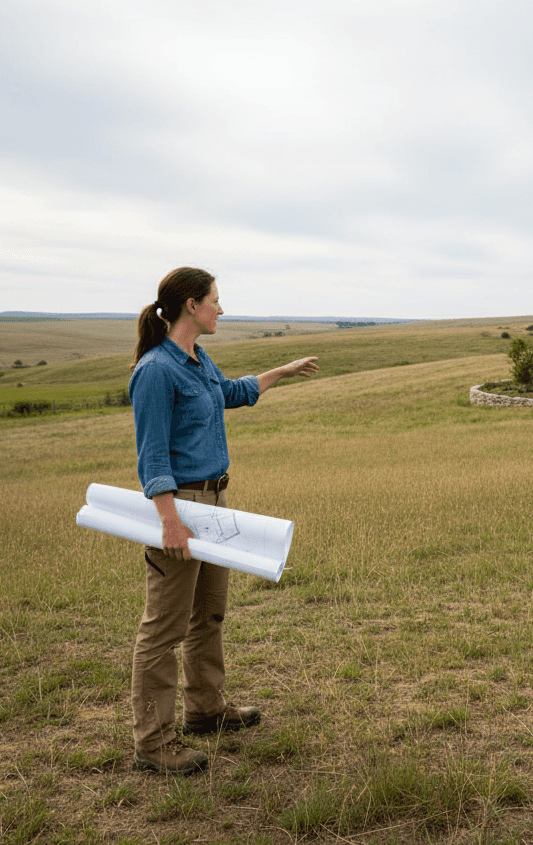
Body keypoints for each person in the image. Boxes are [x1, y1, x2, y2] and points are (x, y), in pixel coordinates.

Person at [128, 267, 318, 775]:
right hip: (182, 508)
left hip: (216, 504)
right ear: (192, 305)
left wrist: (282, 371)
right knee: (163, 630)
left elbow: (230, 393)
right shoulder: (156, 370)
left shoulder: (198, 359)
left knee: (208, 615)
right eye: (216, 299)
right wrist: (170, 522)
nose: (221, 308)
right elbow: (152, 458)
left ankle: (206, 712)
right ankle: (153, 743)